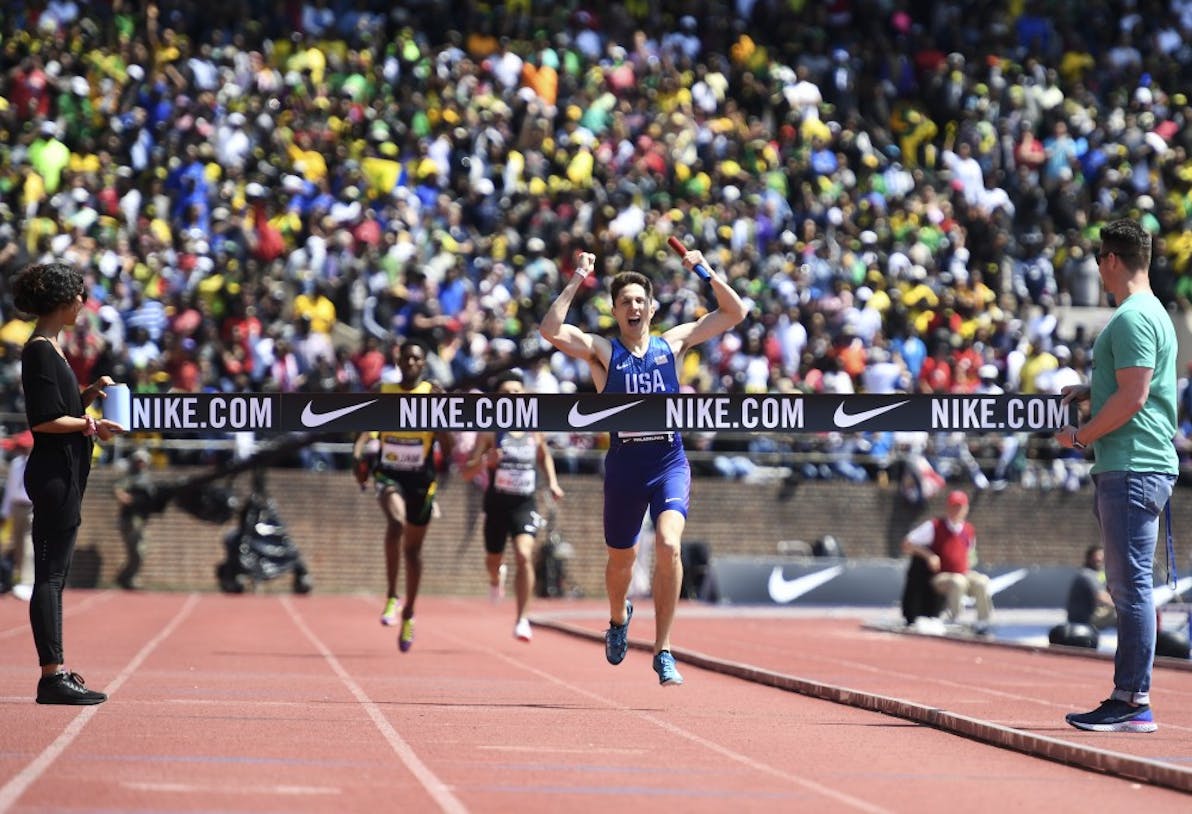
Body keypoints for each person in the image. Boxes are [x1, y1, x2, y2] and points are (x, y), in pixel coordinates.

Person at [539, 247, 747, 686]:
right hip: (625, 468)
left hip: (668, 461)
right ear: (615, 311)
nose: (633, 307)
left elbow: (735, 312)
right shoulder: (602, 351)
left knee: (669, 546)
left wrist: (702, 270)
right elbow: (550, 329)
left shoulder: (672, 344)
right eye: (625, 302)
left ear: (651, 308)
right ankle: (618, 620)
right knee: (622, 560)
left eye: (640, 301)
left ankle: (664, 649)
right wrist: (579, 276)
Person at [1058, 218, 1177, 734]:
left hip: (1131, 464)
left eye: (1098, 261)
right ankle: (1131, 695)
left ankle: (1132, 700)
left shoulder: (1129, 318)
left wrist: (1081, 436)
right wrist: (1092, 389)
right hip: (1137, 463)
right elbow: (1129, 386)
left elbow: (1135, 397)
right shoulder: (1154, 313)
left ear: (1110, 260)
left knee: (1129, 590)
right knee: (1131, 586)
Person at [13, 261, 125, 705]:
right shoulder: (40, 349)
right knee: (50, 577)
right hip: (53, 473)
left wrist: (89, 394)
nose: (84, 303)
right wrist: (90, 425)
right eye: (79, 296)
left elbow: (61, 408)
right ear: (62, 302)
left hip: (65, 471)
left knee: (54, 577)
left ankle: (56, 672)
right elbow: (43, 421)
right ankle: (51, 675)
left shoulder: (53, 348)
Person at [352, 339, 453, 652]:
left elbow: (447, 444)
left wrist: (442, 415)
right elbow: (366, 430)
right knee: (395, 524)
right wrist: (358, 456)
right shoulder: (383, 392)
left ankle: (410, 611)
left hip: (421, 479)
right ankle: (392, 596)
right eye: (406, 358)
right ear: (398, 362)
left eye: (416, 359)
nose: (410, 363)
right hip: (388, 473)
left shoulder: (432, 394)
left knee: (413, 552)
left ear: (423, 365)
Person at [461, 370, 565, 642]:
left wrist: (552, 483)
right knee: (493, 560)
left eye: (518, 392)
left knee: (523, 554)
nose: (513, 397)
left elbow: (544, 457)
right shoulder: (489, 432)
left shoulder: (534, 428)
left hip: (524, 502)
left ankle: (522, 619)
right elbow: (466, 473)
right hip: (496, 504)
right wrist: (486, 461)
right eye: (507, 393)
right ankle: (496, 579)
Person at [901, 490, 993, 634]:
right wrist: (929, 555)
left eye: (960, 507)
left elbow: (971, 555)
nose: (957, 510)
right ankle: (954, 619)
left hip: (963, 573)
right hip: (941, 577)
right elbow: (907, 543)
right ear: (947, 507)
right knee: (958, 582)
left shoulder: (968, 530)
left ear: (966, 509)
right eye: (954, 506)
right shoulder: (935, 526)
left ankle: (983, 621)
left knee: (982, 581)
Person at [112, 449, 159, 590]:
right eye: (138, 461)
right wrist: (129, 499)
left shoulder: (147, 478)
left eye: (143, 461)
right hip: (130, 520)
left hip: (141, 520)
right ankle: (127, 577)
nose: (141, 464)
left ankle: (126, 577)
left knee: (139, 552)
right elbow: (118, 490)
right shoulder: (129, 478)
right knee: (137, 551)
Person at [2, 431, 35, 601]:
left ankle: (28, 581)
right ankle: (20, 578)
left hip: (31, 507)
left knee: (29, 544)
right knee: (18, 545)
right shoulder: (15, 464)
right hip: (16, 506)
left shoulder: (38, 463)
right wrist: (5, 511)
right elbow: (10, 489)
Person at [1066, 544, 1116, 631]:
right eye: (1097, 556)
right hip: (1083, 619)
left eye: (1102, 556)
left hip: (1093, 614)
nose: (1100, 559)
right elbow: (1101, 596)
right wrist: (1123, 606)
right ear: (1089, 558)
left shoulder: (1100, 573)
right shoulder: (1086, 574)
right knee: (1124, 616)